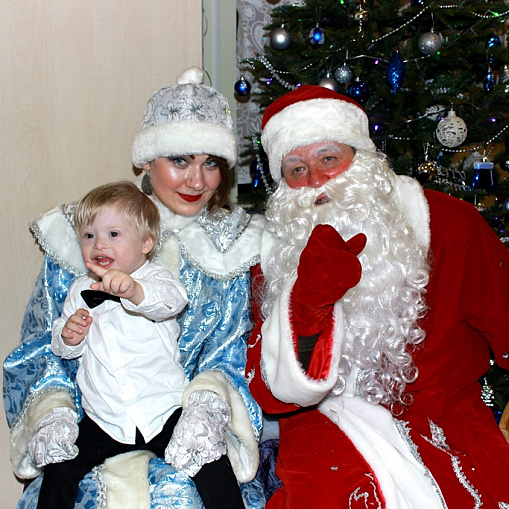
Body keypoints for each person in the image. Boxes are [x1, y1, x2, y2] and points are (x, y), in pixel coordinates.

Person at [4, 67, 266, 509]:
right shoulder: (89, 232)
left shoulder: (233, 246)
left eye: (211, 163)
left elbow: (230, 349)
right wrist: (54, 410)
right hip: (101, 417)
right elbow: (40, 349)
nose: (197, 182)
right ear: (147, 160)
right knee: (64, 481)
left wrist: (207, 404)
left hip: (173, 414)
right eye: (180, 160)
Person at [246, 85, 509, 508]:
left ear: (362, 159)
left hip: (445, 412)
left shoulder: (449, 224)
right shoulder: (271, 256)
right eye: (296, 169)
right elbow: (271, 393)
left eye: (328, 159)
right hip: (325, 419)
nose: (315, 182)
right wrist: (307, 306)